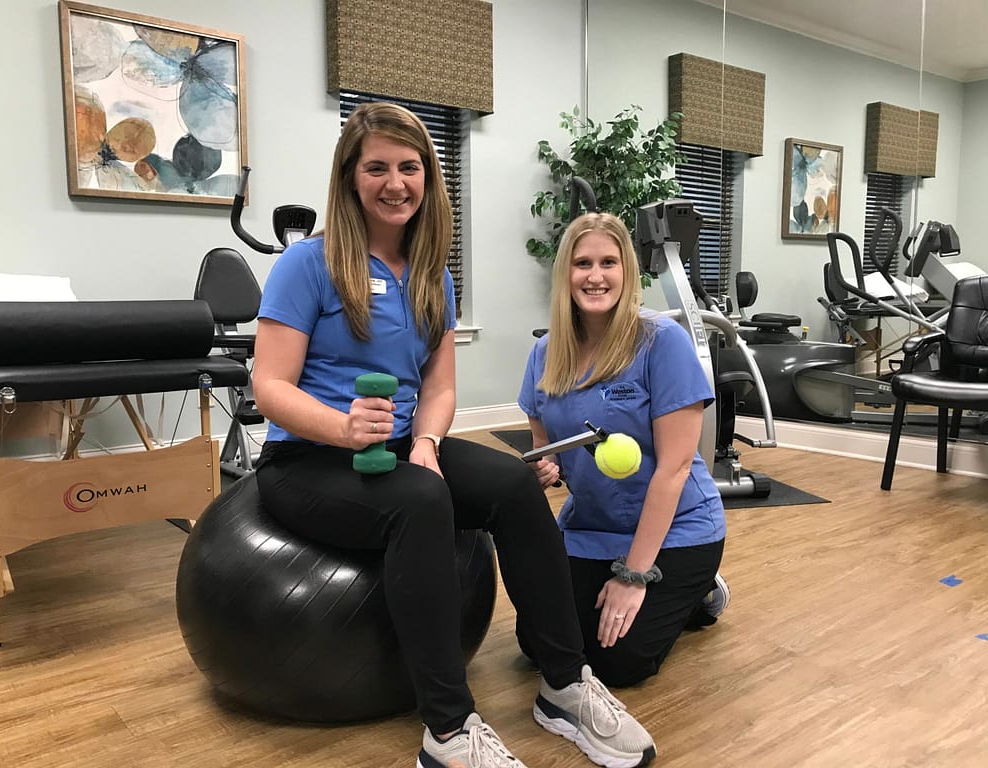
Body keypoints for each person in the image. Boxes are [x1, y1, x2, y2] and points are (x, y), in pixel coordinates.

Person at [251, 103, 657, 768]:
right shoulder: (308, 264)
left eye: (409, 167)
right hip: (306, 461)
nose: (395, 182)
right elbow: (269, 385)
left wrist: (426, 445)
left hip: (400, 451)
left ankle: (564, 682)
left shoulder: (433, 274)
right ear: (350, 177)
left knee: (514, 481)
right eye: (377, 167)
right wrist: (345, 428)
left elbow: (439, 388)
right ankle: (447, 730)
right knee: (420, 502)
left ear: (428, 177)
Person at [518, 212, 729, 689]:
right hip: (592, 524)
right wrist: (541, 470)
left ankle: (697, 591)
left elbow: (674, 469)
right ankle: (667, 592)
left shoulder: (661, 343)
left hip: (677, 528)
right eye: (583, 263)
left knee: (618, 663)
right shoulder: (544, 353)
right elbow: (542, 450)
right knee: (537, 644)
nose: (595, 276)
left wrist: (635, 575)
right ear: (565, 274)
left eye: (608, 262)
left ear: (627, 271)